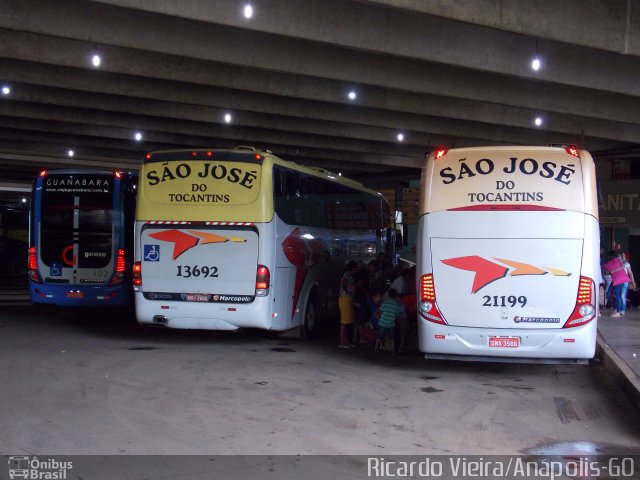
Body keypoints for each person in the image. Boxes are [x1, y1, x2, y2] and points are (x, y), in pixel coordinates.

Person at [603, 250, 632, 317]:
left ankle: (618, 311)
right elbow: (608, 271)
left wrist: (613, 270)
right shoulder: (610, 263)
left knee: (619, 295)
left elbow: (623, 266)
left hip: (619, 280)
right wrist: (609, 271)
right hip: (615, 280)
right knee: (609, 294)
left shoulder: (619, 261)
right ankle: (617, 308)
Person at [338, 261, 359, 348]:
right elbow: (344, 285)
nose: (356, 269)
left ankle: (345, 341)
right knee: (344, 321)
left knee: (347, 321)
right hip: (345, 299)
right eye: (355, 268)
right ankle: (342, 342)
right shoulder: (346, 275)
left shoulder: (348, 275)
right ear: (352, 268)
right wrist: (347, 291)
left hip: (347, 299)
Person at [374, 288, 400, 355]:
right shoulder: (396, 305)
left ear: (388, 295)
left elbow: (379, 311)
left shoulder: (385, 302)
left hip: (382, 323)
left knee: (379, 337)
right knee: (391, 338)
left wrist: (378, 318)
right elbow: (397, 314)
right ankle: (393, 351)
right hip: (391, 324)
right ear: (396, 295)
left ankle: (375, 349)